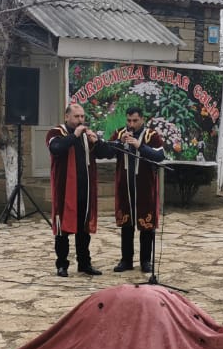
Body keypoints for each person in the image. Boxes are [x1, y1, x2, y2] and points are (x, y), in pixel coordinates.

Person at [47, 102, 116, 277]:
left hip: (85, 190)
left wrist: (97, 142)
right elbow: (56, 148)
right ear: (67, 117)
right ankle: (62, 265)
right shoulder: (56, 133)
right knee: (62, 231)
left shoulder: (87, 135)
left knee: (84, 230)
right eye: (76, 116)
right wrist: (75, 135)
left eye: (82, 116)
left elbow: (107, 153)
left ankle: (84, 264)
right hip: (64, 191)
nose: (80, 120)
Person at [110, 105, 165, 273]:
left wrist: (139, 146)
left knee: (146, 226)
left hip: (145, 187)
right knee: (126, 225)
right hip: (125, 186)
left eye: (135, 120)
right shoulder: (120, 133)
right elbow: (107, 152)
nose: (131, 124)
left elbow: (159, 155)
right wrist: (119, 142)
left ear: (142, 119)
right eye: (129, 120)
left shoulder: (151, 135)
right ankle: (126, 260)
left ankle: (145, 261)